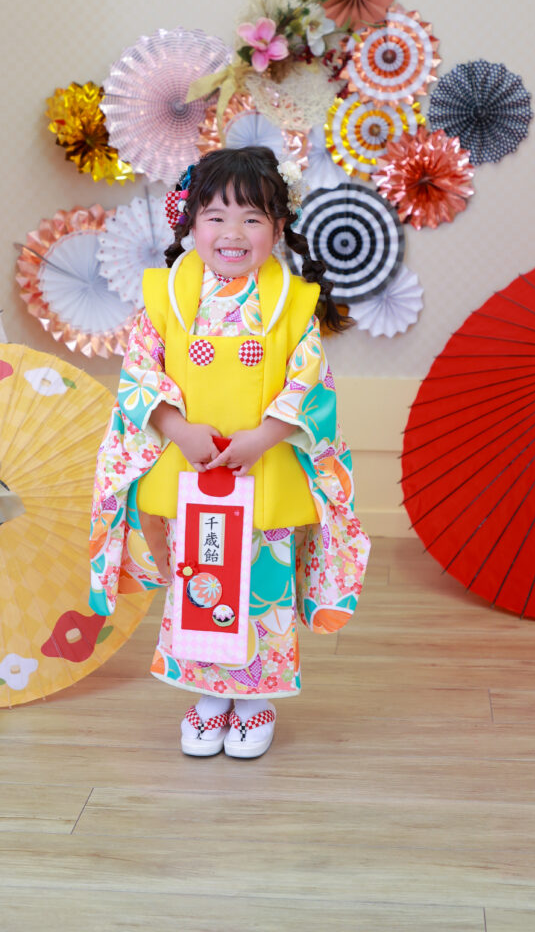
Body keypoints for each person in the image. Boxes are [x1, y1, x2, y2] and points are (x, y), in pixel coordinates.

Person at [89, 146, 370, 759]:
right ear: (190, 223)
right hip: (191, 471)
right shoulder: (164, 298)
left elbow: (310, 383)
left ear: (279, 227)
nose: (232, 233)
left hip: (263, 469)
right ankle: (209, 696)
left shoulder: (294, 303)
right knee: (199, 580)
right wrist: (178, 428)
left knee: (261, 586)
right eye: (215, 216)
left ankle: (255, 700)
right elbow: (140, 374)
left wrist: (263, 436)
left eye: (251, 218)